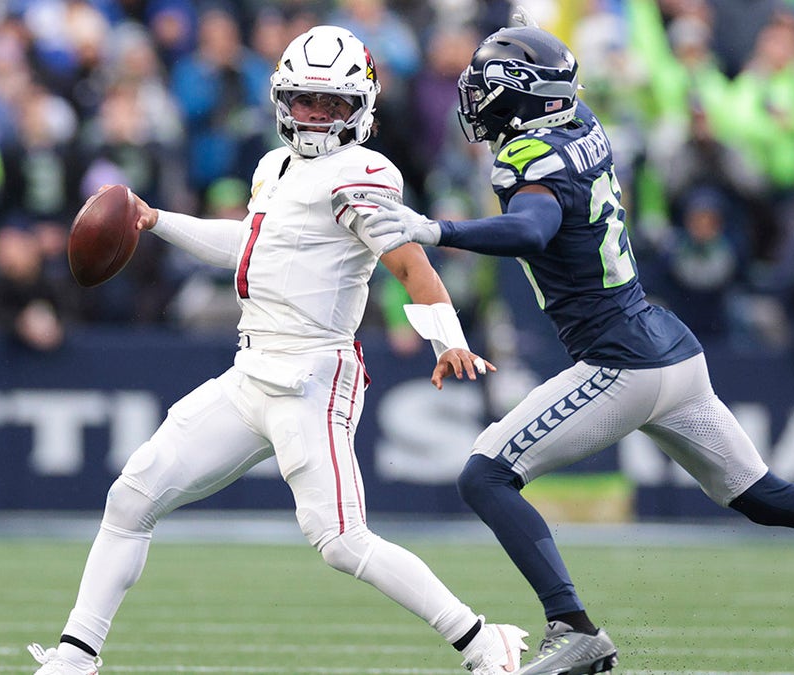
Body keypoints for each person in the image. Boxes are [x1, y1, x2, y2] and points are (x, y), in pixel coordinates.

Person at [362, 22, 794, 675]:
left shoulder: (529, 159)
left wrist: (437, 228)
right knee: (763, 493)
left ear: (525, 97)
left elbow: (532, 227)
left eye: (488, 90)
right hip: (667, 347)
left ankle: (573, 627)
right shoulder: (582, 124)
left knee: (484, 473)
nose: (476, 102)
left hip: (620, 358)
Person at [26, 26, 527, 675]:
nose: (315, 116)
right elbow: (249, 248)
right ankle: (76, 654)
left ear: (361, 107)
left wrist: (447, 338)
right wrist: (159, 221)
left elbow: (408, 263)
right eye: (304, 100)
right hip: (253, 370)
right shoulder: (275, 166)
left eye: (330, 104)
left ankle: (487, 641)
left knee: (343, 540)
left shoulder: (363, 172)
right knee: (132, 495)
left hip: (314, 375)